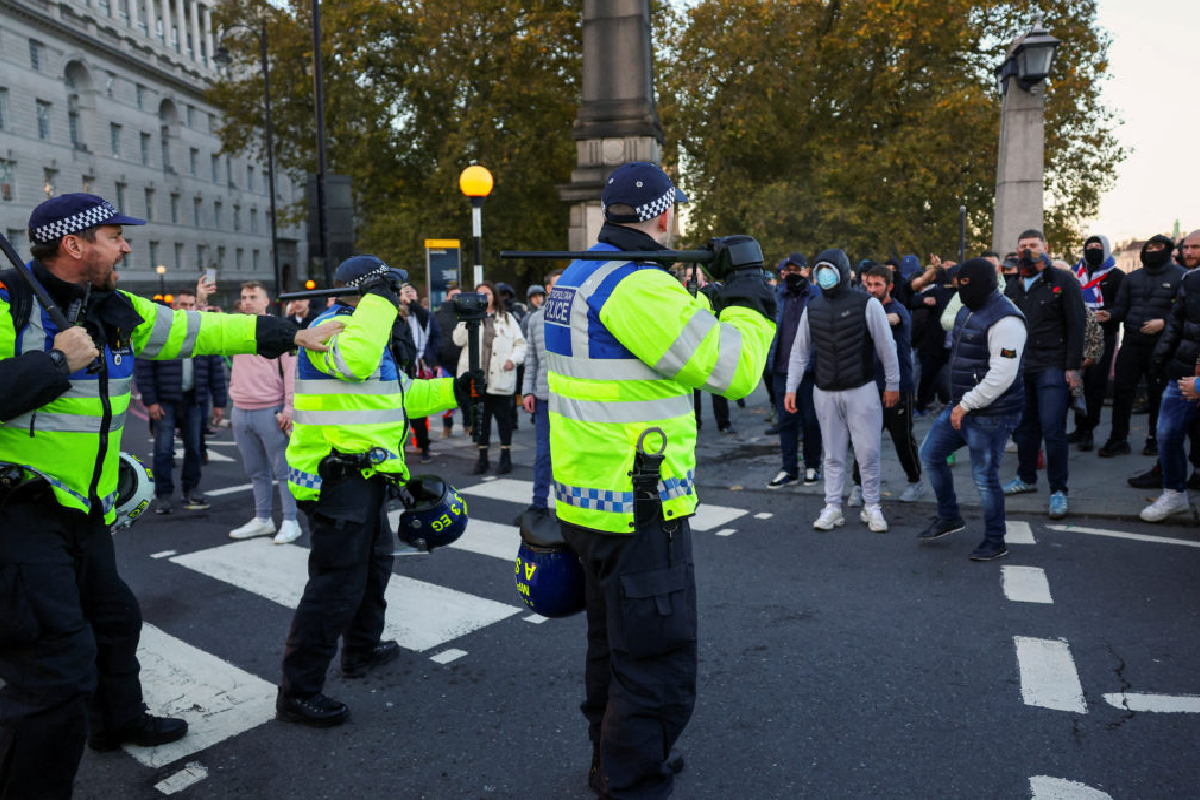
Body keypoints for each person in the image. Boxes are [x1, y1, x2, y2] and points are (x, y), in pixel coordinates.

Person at [0, 193, 335, 797]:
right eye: (114, 235)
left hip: (83, 510)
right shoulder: (7, 305)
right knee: (53, 672)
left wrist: (293, 334)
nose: (126, 245)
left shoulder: (116, 307)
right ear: (74, 245)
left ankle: (116, 723)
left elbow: (201, 330)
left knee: (114, 619)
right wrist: (54, 362)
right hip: (17, 515)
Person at [546, 162, 773, 797]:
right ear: (664, 215)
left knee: (611, 651)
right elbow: (734, 370)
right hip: (639, 504)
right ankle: (633, 780)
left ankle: (609, 760)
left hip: (588, 499)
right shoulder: (638, 287)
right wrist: (751, 297)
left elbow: (657, 351)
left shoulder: (578, 276)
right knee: (656, 663)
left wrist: (703, 296)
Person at [277, 255, 472, 727]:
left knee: (374, 569)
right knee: (335, 587)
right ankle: (298, 691)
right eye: (393, 288)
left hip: (365, 479)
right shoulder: (334, 329)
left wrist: (459, 390)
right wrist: (378, 305)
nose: (403, 297)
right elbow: (356, 362)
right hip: (335, 481)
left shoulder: (367, 329)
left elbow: (400, 396)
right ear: (370, 292)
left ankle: (360, 650)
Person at [916, 258, 1027, 561]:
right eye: (957, 284)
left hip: (992, 412)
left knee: (985, 476)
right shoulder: (967, 308)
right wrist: (959, 403)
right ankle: (949, 516)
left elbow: (1002, 375)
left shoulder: (1007, 321)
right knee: (931, 454)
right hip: (962, 405)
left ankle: (995, 540)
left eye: (966, 284)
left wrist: (965, 404)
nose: (961, 290)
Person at [784, 249, 900, 532]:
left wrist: (893, 384)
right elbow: (799, 352)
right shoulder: (814, 308)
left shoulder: (867, 304)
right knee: (832, 455)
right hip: (824, 391)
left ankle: (872, 506)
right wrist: (791, 388)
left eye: (828, 268)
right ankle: (832, 506)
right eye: (820, 269)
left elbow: (886, 346)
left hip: (862, 388)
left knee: (868, 452)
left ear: (841, 270)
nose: (824, 274)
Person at [1001, 229, 1086, 520]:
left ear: (1046, 247)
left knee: (1052, 428)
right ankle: (1026, 478)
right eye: (1023, 246)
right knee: (1024, 429)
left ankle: (1058, 491)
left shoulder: (1063, 281)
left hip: (1053, 364)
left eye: (1033, 246)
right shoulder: (1012, 284)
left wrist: (1073, 368)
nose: (1028, 251)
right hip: (1021, 367)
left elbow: (1077, 325)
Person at [135, 287, 228, 515]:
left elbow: (216, 369)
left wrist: (219, 402)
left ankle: (191, 489)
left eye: (191, 305)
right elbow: (145, 367)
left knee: (194, 448)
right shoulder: (162, 331)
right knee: (164, 449)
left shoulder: (203, 331)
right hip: (165, 400)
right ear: (175, 306)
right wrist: (151, 401)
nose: (188, 309)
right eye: (183, 304)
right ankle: (164, 495)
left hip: (194, 399)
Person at [1096, 235, 1185, 458]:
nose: (1153, 250)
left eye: (1159, 247)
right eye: (1150, 247)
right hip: (1132, 344)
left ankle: (1155, 439)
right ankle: (1118, 439)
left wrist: (1163, 323)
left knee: (1158, 394)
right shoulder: (1132, 277)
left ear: (1169, 250)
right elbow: (1121, 308)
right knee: (1122, 392)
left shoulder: (1180, 276)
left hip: (1163, 346)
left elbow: (1185, 312)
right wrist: (1110, 315)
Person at [227, 281, 301, 544]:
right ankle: (263, 519)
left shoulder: (281, 328)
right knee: (256, 471)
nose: (247, 301)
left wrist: (289, 409)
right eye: (244, 296)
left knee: (283, 470)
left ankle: (290, 521)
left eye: (253, 296)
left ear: (266, 301)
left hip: (271, 409)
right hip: (240, 408)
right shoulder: (234, 327)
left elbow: (292, 371)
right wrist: (201, 298)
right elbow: (201, 327)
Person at [851, 265, 922, 503]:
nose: (872, 289)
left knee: (902, 439)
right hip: (868, 386)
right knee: (864, 439)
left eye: (877, 285)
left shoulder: (897, 310)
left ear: (889, 286)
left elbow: (890, 319)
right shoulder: (863, 308)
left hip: (898, 387)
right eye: (868, 285)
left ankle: (915, 481)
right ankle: (857, 487)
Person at [1141, 240, 1200, 521]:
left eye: (1197, 246)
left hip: (1196, 379)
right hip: (1182, 374)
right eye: (1186, 246)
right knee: (1167, 434)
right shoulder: (1189, 282)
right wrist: (1161, 362)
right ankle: (1175, 493)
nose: (1189, 252)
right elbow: (1175, 326)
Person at [453, 281, 525, 474]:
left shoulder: (507, 318)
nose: (484, 298)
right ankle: (482, 457)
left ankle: (505, 456)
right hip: (477, 380)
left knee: (504, 420)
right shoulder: (469, 318)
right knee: (481, 421)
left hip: (501, 377)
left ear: (494, 296)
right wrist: (464, 319)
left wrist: (513, 359)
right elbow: (457, 340)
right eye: (480, 295)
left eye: (488, 294)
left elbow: (520, 344)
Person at [765, 253, 822, 488]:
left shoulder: (818, 296)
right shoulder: (777, 296)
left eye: (796, 270)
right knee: (786, 422)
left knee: (810, 420)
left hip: (810, 370)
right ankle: (789, 469)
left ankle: (812, 466)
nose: (792, 275)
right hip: (781, 368)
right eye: (787, 271)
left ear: (807, 271)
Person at [1068, 235, 1123, 452]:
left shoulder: (1117, 276)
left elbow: (1122, 305)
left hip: (1102, 337)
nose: (1092, 249)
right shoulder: (1074, 273)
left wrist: (1109, 314)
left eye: (1097, 247)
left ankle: (1089, 430)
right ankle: (1079, 427)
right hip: (1076, 336)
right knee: (1076, 385)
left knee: (1095, 386)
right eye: (1089, 246)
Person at [519, 270, 561, 522]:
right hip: (544, 396)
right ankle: (539, 503)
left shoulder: (579, 314)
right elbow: (531, 358)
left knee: (572, 454)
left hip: (571, 398)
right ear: (547, 289)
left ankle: (572, 506)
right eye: (557, 284)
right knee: (543, 454)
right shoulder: (535, 320)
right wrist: (527, 391)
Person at [679, 264, 735, 434]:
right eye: (689, 276)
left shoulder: (713, 293)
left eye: (696, 274)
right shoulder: (680, 295)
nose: (692, 278)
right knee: (692, 391)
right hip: (690, 348)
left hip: (710, 346)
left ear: (703, 276)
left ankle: (723, 422)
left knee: (717, 388)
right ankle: (695, 423)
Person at [434, 287, 463, 437]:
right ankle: (447, 427)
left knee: (467, 395)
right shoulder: (438, 315)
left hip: (463, 361)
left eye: (458, 295)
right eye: (452, 296)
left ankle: (468, 426)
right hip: (445, 362)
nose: (455, 299)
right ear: (447, 298)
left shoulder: (465, 314)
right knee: (447, 396)